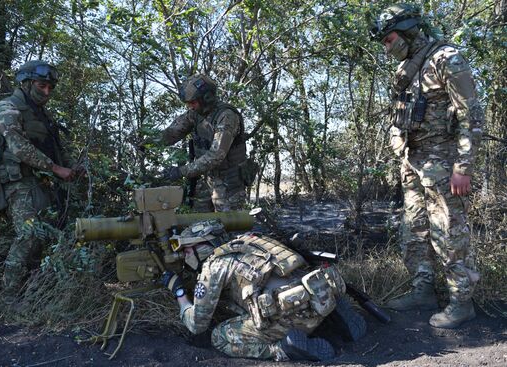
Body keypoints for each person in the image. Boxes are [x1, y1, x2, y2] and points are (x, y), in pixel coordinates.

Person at [370, 4, 483, 328]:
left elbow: (470, 114)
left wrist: (463, 165)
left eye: (389, 39)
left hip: (443, 163)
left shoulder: (446, 59)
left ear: (406, 31)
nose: (386, 47)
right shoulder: (408, 68)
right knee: (414, 230)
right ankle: (423, 291)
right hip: (413, 163)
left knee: (448, 231)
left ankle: (462, 302)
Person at [161, 220, 366, 361]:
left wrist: (179, 292)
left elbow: (197, 324)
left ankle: (283, 348)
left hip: (289, 317)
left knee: (219, 337)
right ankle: (332, 315)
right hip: (318, 300)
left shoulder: (214, 266)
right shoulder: (254, 241)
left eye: (187, 250)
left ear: (202, 246)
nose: (185, 256)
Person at [0, 60, 79, 304]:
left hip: (41, 185)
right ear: (26, 83)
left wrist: (72, 168)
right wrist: (56, 168)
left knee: (41, 238)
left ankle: (32, 294)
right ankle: (8, 300)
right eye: (41, 85)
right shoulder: (7, 108)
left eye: (50, 87)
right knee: (28, 235)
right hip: (18, 184)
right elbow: (18, 147)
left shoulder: (41, 115)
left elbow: (54, 148)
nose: (46, 92)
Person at [156, 74, 250, 212]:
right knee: (198, 225)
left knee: (228, 226)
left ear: (207, 98)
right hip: (207, 180)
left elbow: (216, 155)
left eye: (193, 102)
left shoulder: (227, 116)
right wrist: (148, 142)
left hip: (229, 184)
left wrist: (181, 171)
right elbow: (172, 133)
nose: (190, 107)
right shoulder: (195, 115)